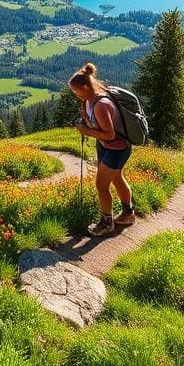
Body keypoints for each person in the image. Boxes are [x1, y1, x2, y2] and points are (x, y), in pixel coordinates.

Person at [68, 62, 135, 236]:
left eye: (75, 91)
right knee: (117, 178)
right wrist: (86, 121)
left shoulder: (101, 104)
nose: (74, 94)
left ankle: (106, 223)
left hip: (116, 148)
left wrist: (86, 131)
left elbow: (110, 134)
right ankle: (128, 214)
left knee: (101, 185)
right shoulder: (90, 100)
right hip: (110, 147)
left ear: (84, 87)